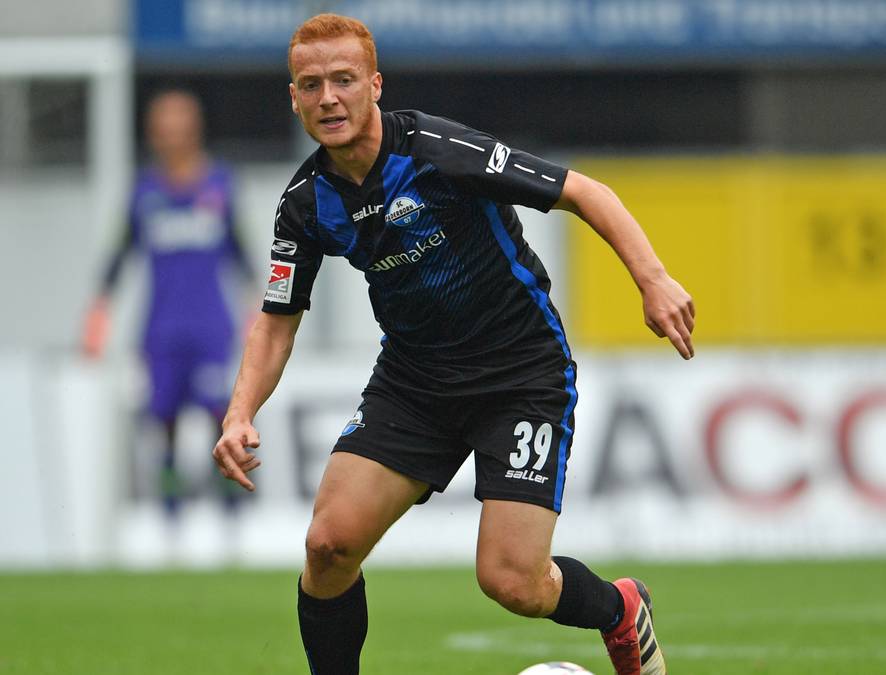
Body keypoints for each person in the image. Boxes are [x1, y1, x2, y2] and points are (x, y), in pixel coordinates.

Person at [211, 13, 692, 675]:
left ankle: (618, 609)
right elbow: (276, 318)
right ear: (292, 97)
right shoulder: (305, 201)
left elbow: (585, 191)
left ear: (374, 84)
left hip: (521, 372)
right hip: (414, 385)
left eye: (344, 80)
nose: (329, 98)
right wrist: (240, 413)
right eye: (311, 84)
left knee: (513, 581)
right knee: (328, 544)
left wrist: (653, 278)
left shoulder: (438, 151)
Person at [84, 89, 253, 518]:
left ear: (194, 130)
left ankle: (233, 510)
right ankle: (169, 514)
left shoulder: (220, 185)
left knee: (222, 413)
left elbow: (241, 253)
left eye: (179, 126)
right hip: (161, 329)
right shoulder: (144, 193)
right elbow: (119, 256)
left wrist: (257, 312)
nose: (172, 135)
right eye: (164, 128)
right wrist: (98, 314)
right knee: (163, 421)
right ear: (153, 134)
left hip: (211, 326)